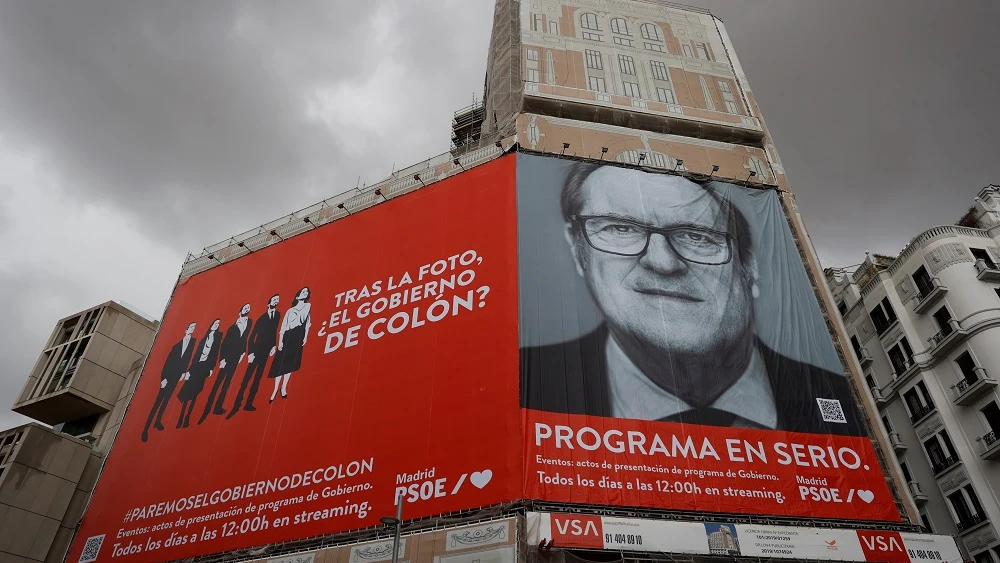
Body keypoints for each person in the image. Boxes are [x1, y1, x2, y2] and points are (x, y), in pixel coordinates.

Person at [520, 163, 863, 435]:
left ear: (750, 265)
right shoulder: (522, 390)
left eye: (696, 236)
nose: (663, 262)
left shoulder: (844, 404)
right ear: (577, 250)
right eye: (620, 229)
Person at [141, 321, 197, 442]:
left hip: (177, 377)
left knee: (166, 400)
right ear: (186, 330)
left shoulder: (193, 342)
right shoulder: (177, 345)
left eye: (194, 327)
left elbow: (188, 359)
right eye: (191, 326)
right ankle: (146, 429)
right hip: (168, 377)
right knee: (158, 402)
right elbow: (168, 363)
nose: (193, 328)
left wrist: (184, 372)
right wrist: (164, 378)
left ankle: (157, 421)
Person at [227, 294, 281, 418]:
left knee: (258, 378)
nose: (276, 301)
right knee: (246, 379)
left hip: (266, 352)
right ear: (269, 303)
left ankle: (249, 403)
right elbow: (252, 336)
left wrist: (273, 345)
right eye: (274, 300)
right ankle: (237, 405)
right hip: (256, 351)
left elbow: (274, 331)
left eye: (277, 300)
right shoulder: (261, 318)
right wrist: (250, 352)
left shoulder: (277, 315)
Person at [198, 304, 252, 424]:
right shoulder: (232, 328)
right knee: (217, 384)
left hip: (236, 358)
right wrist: (222, 359)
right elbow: (224, 344)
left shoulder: (249, 323)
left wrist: (243, 352)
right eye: (245, 308)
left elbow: (246, 338)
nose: (247, 310)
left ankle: (218, 407)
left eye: (248, 308)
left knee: (227, 384)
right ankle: (208, 408)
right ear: (240, 311)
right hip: (226, 359)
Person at [176, 319, 222, 428]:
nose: (217, 325)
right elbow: (196, 354)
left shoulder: (217, 338)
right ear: (211, 324)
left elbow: (215, 354)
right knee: (187, 393)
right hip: (196, 367)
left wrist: (211, 368)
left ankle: (187, 418)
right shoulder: (204, 338)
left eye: (218, 324)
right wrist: (190, 370)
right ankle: (181, 417)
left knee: (196, 393)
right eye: (215, 323)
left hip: (204, 368)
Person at [268, 287, 311, 402]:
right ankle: (275, 389)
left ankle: (284, 388)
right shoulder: (290, 311)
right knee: (280, 365)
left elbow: (307, 323)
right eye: (303, 291)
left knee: (290, 365)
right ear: (297, 296)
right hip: (287, 336)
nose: (305, 293)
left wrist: (305, 337)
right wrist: (280, 341)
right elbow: (283, 327)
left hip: (298, 336)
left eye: (306, 292)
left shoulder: (308, 307)